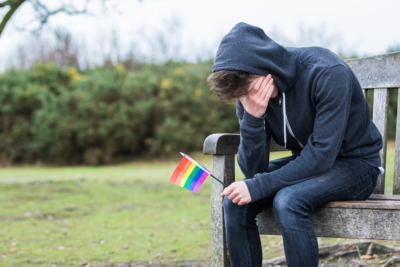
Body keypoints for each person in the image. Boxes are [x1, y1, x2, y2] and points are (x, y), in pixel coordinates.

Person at [207, 22, 384, 267]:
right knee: (235, 201)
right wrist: (253, 118)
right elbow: (253, 168)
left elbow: (321, 155)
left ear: (265, 70)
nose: (245, 100)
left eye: (247, 93)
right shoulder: (248, 96)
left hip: (357, 165)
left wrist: (259, 185)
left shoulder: (326, 71)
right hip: (307, 165)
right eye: (240, 98)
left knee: (289, 200)